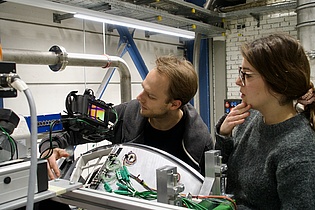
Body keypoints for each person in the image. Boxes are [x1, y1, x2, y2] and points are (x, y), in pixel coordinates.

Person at [40, 55, 214, 180]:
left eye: (151, 96)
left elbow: (211, 196)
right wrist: (50, 147)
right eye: (143, 88)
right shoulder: (125, 116)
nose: (139, 97)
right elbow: (70, 132)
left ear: (174, 104)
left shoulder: (199, 142)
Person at [215, 33, 315, 209]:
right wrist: (224, 136)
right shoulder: (249, 119)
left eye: (247, 75)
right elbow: (222, 179)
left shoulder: (299, 149)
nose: (238, 81)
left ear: (277, 81)